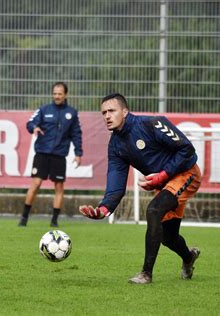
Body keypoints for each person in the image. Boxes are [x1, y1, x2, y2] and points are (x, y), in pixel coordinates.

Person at [79, 93, 202, 284]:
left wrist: (163, 174)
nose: (107, 116)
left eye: (112, 111)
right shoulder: (115, 145)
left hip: (187, 174)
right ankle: (188, 258)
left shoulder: (152, 124)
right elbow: (116, 184)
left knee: (153, 210)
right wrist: (104, 209)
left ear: (125, 111)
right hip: (166, 185)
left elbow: (187, 149)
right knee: (169, 238)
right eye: (103, 113)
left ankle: (146, 274)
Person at [19, 82, 83, 227]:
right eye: (54, 93)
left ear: (65, 94)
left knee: (59, 187)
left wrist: (78, 153)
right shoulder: (43, 110)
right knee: (36, 184)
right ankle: (24, 218)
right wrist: (34, 127)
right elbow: (30, 123)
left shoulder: (72, 113)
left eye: (59, 94)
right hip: (42, 153)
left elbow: (76, 134)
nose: (56, 96)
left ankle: (54, 221)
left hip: (59, 155)